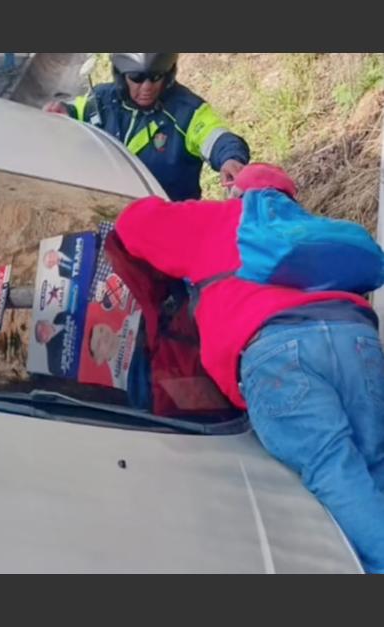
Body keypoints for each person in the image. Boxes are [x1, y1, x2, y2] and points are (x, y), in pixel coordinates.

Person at [113, 162, 384, 573]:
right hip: (355, 337)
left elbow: (133, 223)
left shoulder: (220, 219)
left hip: (277, 352)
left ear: (236, 194)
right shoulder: (314, 233)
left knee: (331, 466)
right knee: (374, 460)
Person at [45, 53, 250, 201]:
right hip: (111, 213)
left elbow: (215, 136)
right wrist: (64, 111)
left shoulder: (186, 112)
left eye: (156, 77)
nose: (147, 87)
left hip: (169, 223)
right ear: (121, 75)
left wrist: (230, 158)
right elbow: (78, 111)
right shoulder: (101, 99)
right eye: (136, 78)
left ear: (168, 74)